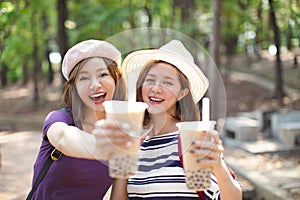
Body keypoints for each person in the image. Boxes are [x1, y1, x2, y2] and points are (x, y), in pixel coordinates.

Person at [110, 40, 242, 199]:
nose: (156, 88)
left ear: (182, 93)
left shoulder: (192, 140)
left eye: (167, 82)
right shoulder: (136, 146)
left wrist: (219, 166)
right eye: (150, 80)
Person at [28, 39, 133, 200]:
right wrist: (108, 147)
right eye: (84, 78)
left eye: (103, 74)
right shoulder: (59, 119)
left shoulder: (122, 131)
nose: (95, 84)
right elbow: (63, 138)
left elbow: (119, 194)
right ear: (74, 87)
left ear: (116, 80)